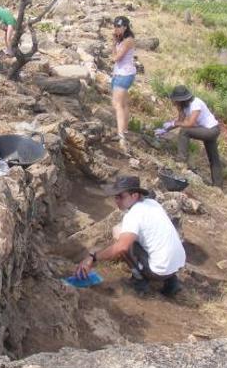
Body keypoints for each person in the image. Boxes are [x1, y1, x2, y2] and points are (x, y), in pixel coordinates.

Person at [75, 175, 185, 297]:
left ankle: (139, 280)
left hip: (159, 271)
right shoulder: (152, 203)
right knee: (132, 236)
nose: (117, 201)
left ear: (135, 195)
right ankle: (172, 282)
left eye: (121, 196)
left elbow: (121, 247)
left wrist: (92, 257)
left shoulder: (133, 215)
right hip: (178, 264)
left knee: (121, 238)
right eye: (116, 197)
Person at [156, 85, 223, 188]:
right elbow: (181, 121)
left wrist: (174, 123)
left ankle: (181, 159)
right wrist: (166, 129)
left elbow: (190, 123)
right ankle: (218, 186)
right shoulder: (184, 106)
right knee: (213, 159)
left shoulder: (196, 104)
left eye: (176, 100)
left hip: (212, 130)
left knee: (185, 131)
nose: (175, 102)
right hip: (207, 129)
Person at [109, 16, 136, 152]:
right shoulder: (123, 40)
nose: (116, 29)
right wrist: (115, 44)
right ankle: (124, 131)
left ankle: (120, 135)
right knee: (123, 104)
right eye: (115, 26)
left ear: (125, 27)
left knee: (117, 104)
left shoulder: (127, 41)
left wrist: (114, 45)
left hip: (123, 75)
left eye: (119, 26)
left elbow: (116, 58)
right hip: (123, 73)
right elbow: (115, 57)